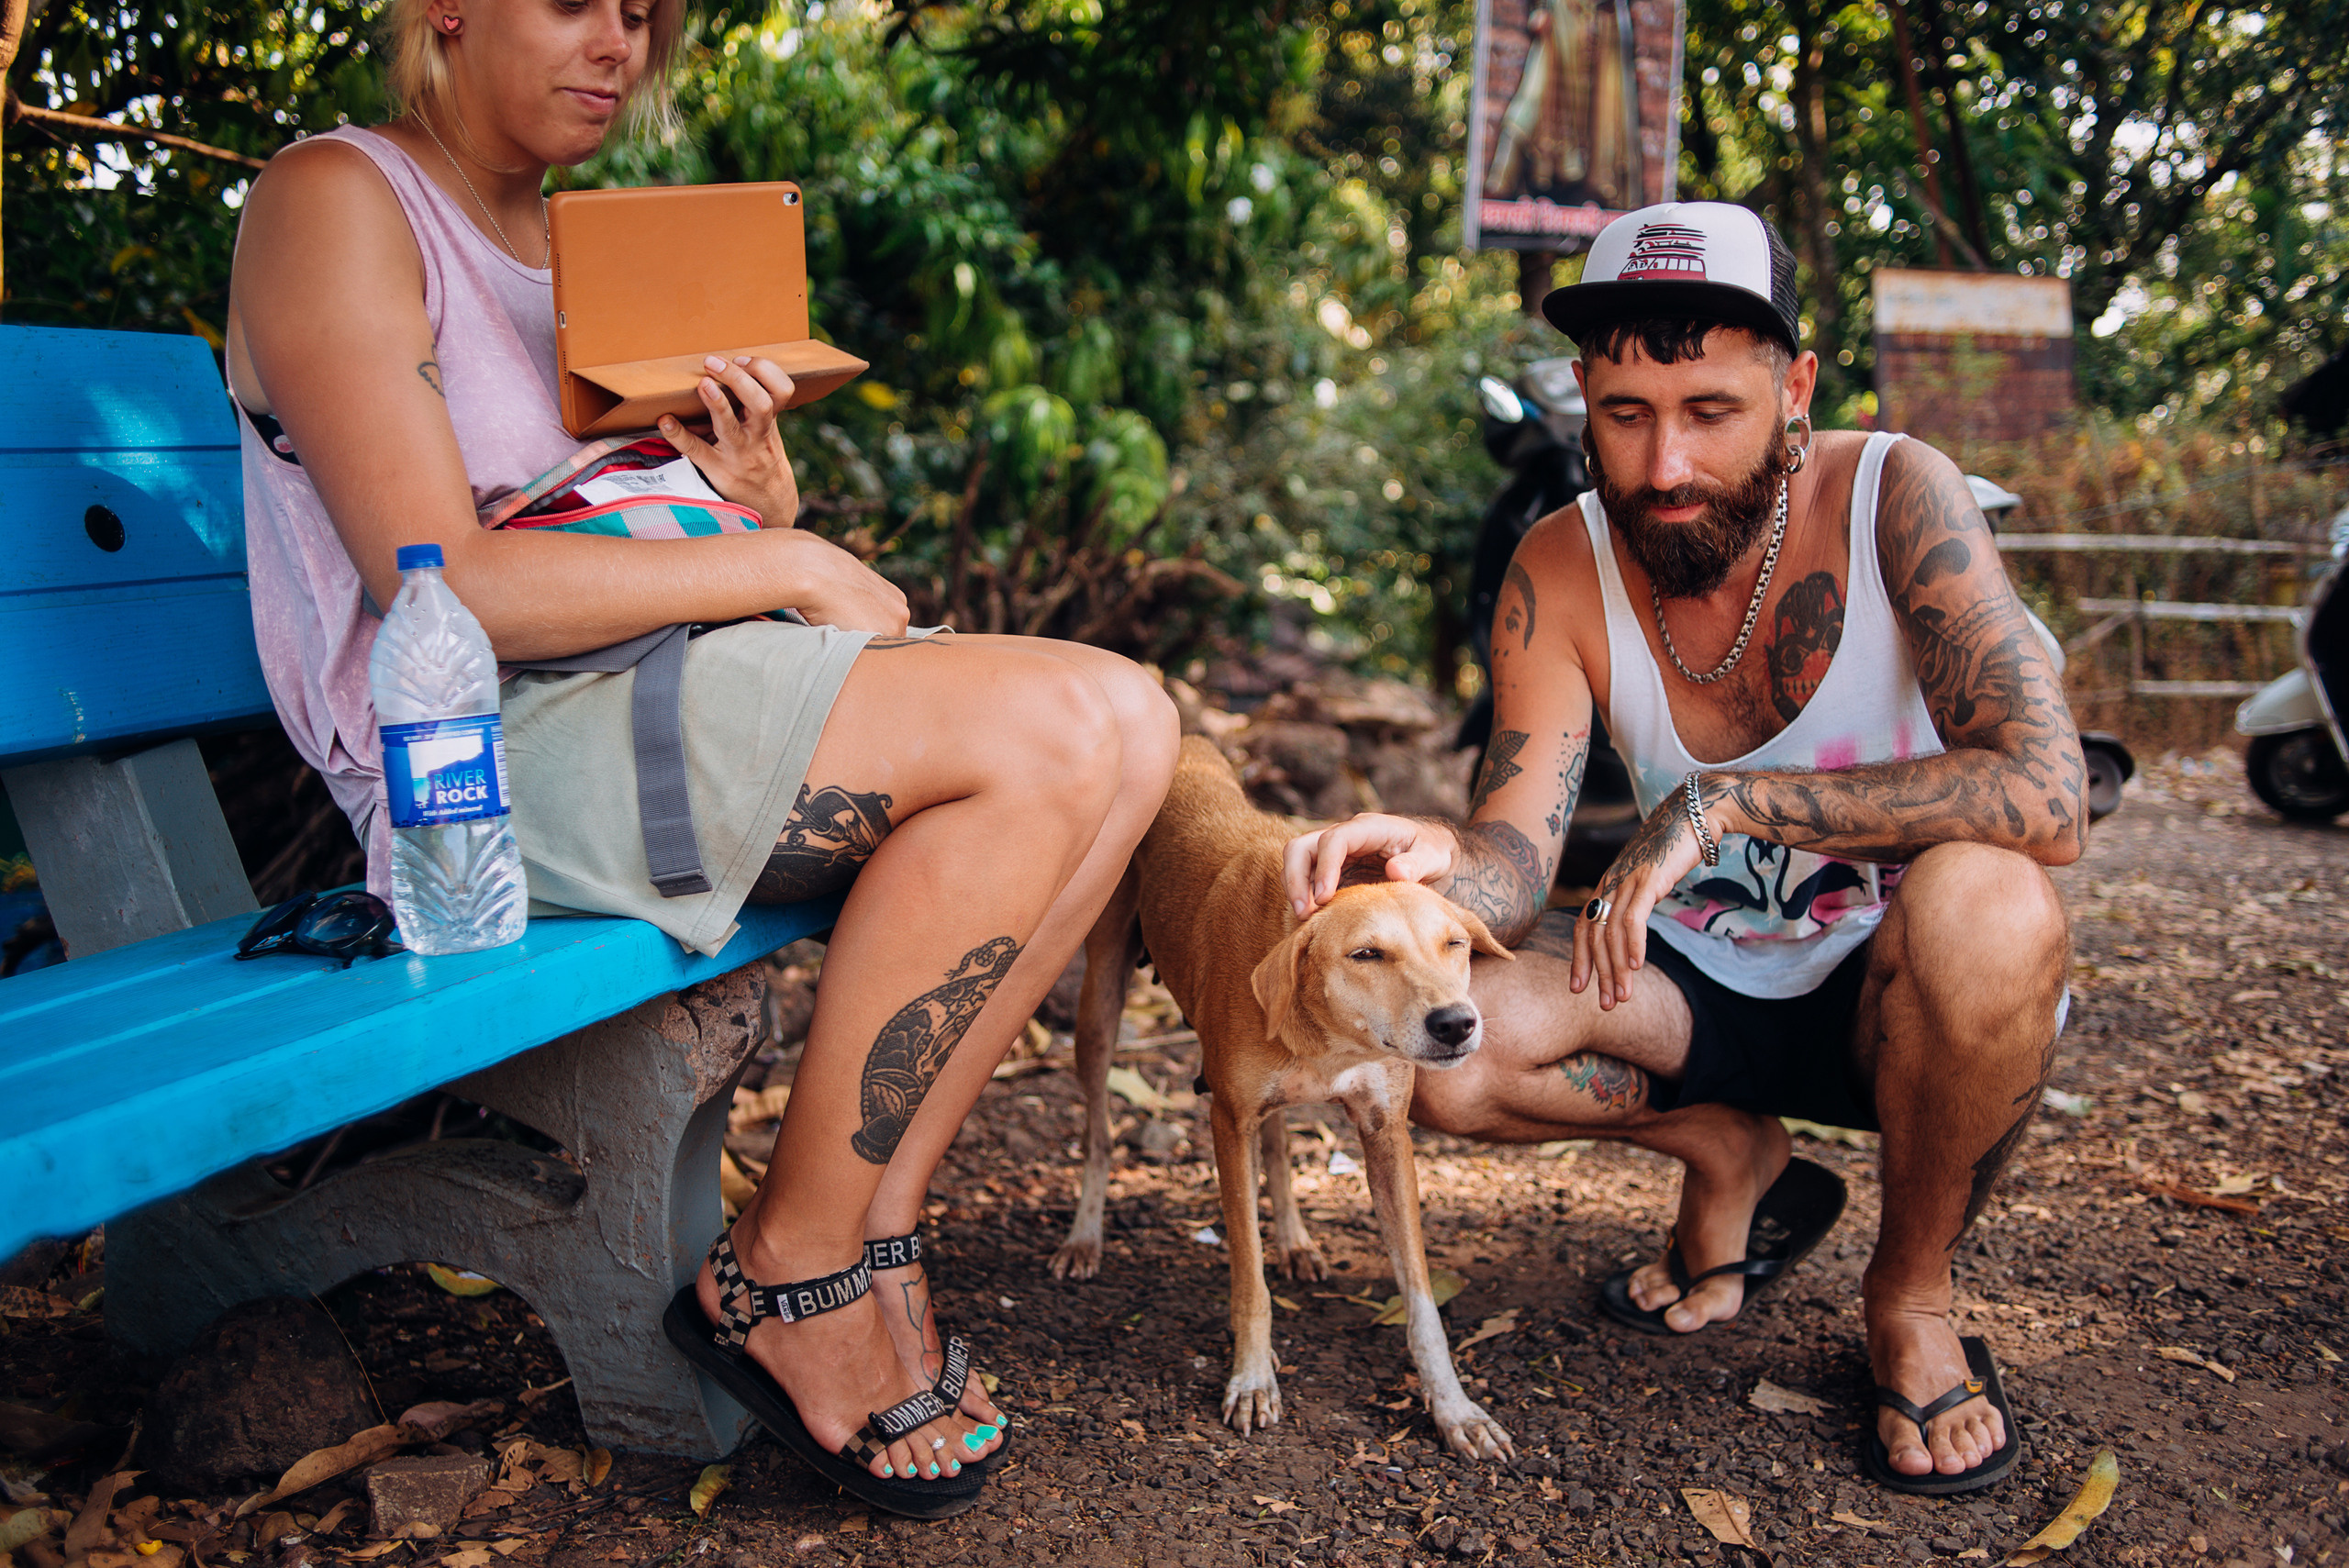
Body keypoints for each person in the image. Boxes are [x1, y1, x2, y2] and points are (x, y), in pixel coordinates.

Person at [224, 0, 1178, 1516]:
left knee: (1134, 723)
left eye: (646, 12)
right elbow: (445, 587)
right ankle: (788, 1264)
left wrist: (743, 496)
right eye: (577, 3)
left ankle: (870, 1230)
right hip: (466, 764)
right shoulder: (335, 202)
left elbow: (612, 539)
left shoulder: (586, 246)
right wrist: (785, 559)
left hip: (631, 695)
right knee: (1057, 732)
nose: (621, 39)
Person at [1284, 202, 2081, 1495]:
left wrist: (1732, 803)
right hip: (1686, 986)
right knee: (1445, 1045)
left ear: (1795, 387)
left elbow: (2050, 794)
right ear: (1583, 399)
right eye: (1626, 414)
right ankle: (1734, 1149)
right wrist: (1431, 860)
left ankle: (1912, 1294)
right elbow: (1515, 859)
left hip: (1900, 989)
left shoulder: (1898, 494)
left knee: (1994, 905)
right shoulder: (1560, 561)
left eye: (1710, 410)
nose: (1663, 465)